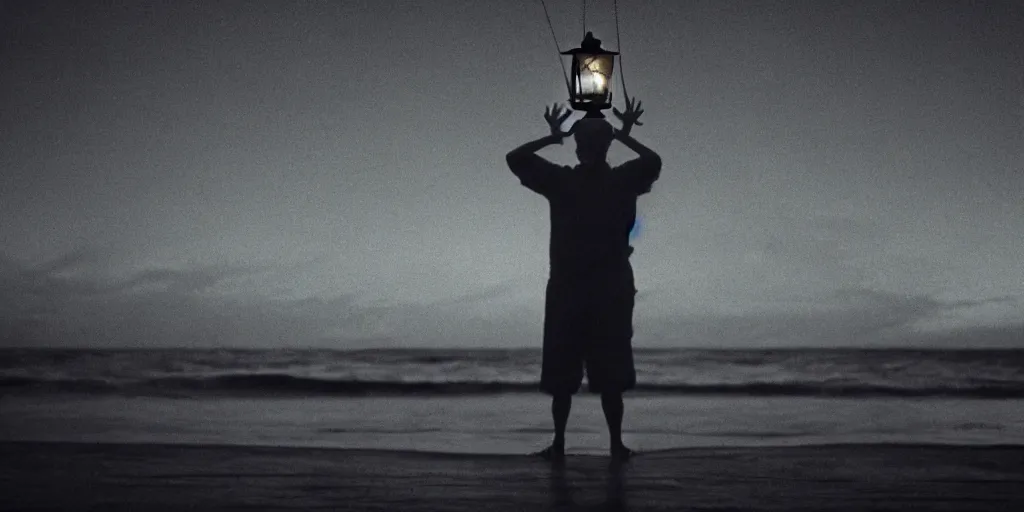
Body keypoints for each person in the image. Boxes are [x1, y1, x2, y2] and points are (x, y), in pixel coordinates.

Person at [505, 97, 661, 461]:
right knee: (583, 370)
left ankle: (588, 444)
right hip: (594, 289)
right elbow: (653, 162)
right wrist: (622, 135)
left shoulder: (569, 181)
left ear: (592, 147)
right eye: (582, 143)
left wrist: (553, 138)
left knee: (592, 371)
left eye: (585, 144)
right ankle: (585, 444)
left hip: (583, 289)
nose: (583, 149)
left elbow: (516, 159)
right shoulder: (615, 180)